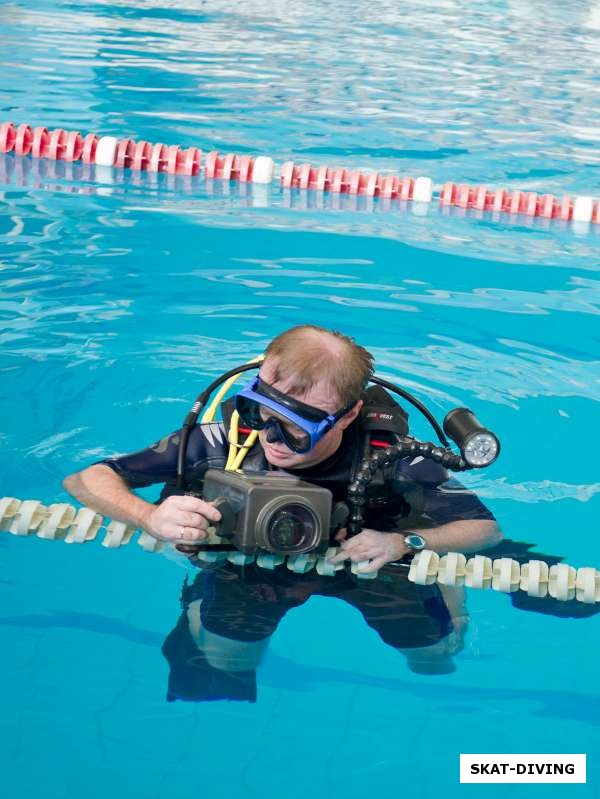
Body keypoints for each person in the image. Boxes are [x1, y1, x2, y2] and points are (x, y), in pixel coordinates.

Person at [63, 324, 502, 571]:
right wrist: (150, 517)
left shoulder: (390, 455)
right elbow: (85, 479)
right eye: (259, 415)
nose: (269, 439)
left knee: (434, 655)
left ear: (347, 415)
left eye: (297, 430)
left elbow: (485, 529)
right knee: (222, 661)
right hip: (256, 567)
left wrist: (404, 542)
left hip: (371, 562)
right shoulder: (225, 440)